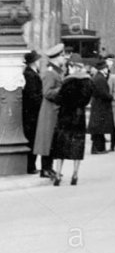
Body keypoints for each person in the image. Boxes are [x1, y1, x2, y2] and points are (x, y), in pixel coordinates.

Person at [50, 54, 93, 186]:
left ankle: (58, 174)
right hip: (78, 117)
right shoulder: (88, 81)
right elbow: (87, 100)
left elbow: (58, 99)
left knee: (61, 147)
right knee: (77, 146)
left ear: (71, 66)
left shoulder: (67, 81)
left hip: (65, 116)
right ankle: (75, 175)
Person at [33, 43, 66, 179]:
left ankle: (49, 168)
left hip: (54, 110)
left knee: (52, 141)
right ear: (56, 57)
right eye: (62, 56)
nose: (64, 58)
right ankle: (45, 169)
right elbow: (46, 92)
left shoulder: (55, 71)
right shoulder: (50, 73)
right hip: (50, 111)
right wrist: (63, 90)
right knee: (48, 141)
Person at [21, 50, 42, 174]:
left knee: (32, 138)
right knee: (32, 139)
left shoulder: (31, 73)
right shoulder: (30, 75)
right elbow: (33, 95)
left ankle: (31, 165)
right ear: (34, 62)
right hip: (32, 113)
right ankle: (31, 166)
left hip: (31, 112)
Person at [88, 59, 114, 154]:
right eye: (106, 68)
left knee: (98, 128)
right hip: (101, 106)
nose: (107, 69)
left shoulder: (98, 77)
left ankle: (99, 148)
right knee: (99, 127)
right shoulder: (100, 79)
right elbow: (103, 93)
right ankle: (98, 148)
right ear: (103, 69)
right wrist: (111, 97)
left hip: (98, 105)